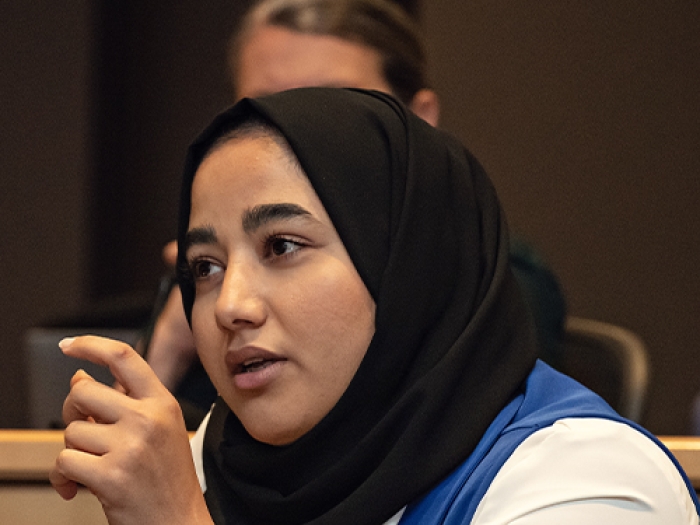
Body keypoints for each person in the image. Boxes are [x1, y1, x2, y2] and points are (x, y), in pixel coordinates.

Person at [52, 88, 698, 524]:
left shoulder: (584, 478)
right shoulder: (213, 459)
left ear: (405, 263)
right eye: (206, 267)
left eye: (281, 245)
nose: (231, 304)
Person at [146, 0, 567, 427]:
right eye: (268, 108)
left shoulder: (494, 277)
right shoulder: (224, 292)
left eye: (336, 104)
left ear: (420, 118)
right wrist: (171, 345)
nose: (298, 131)